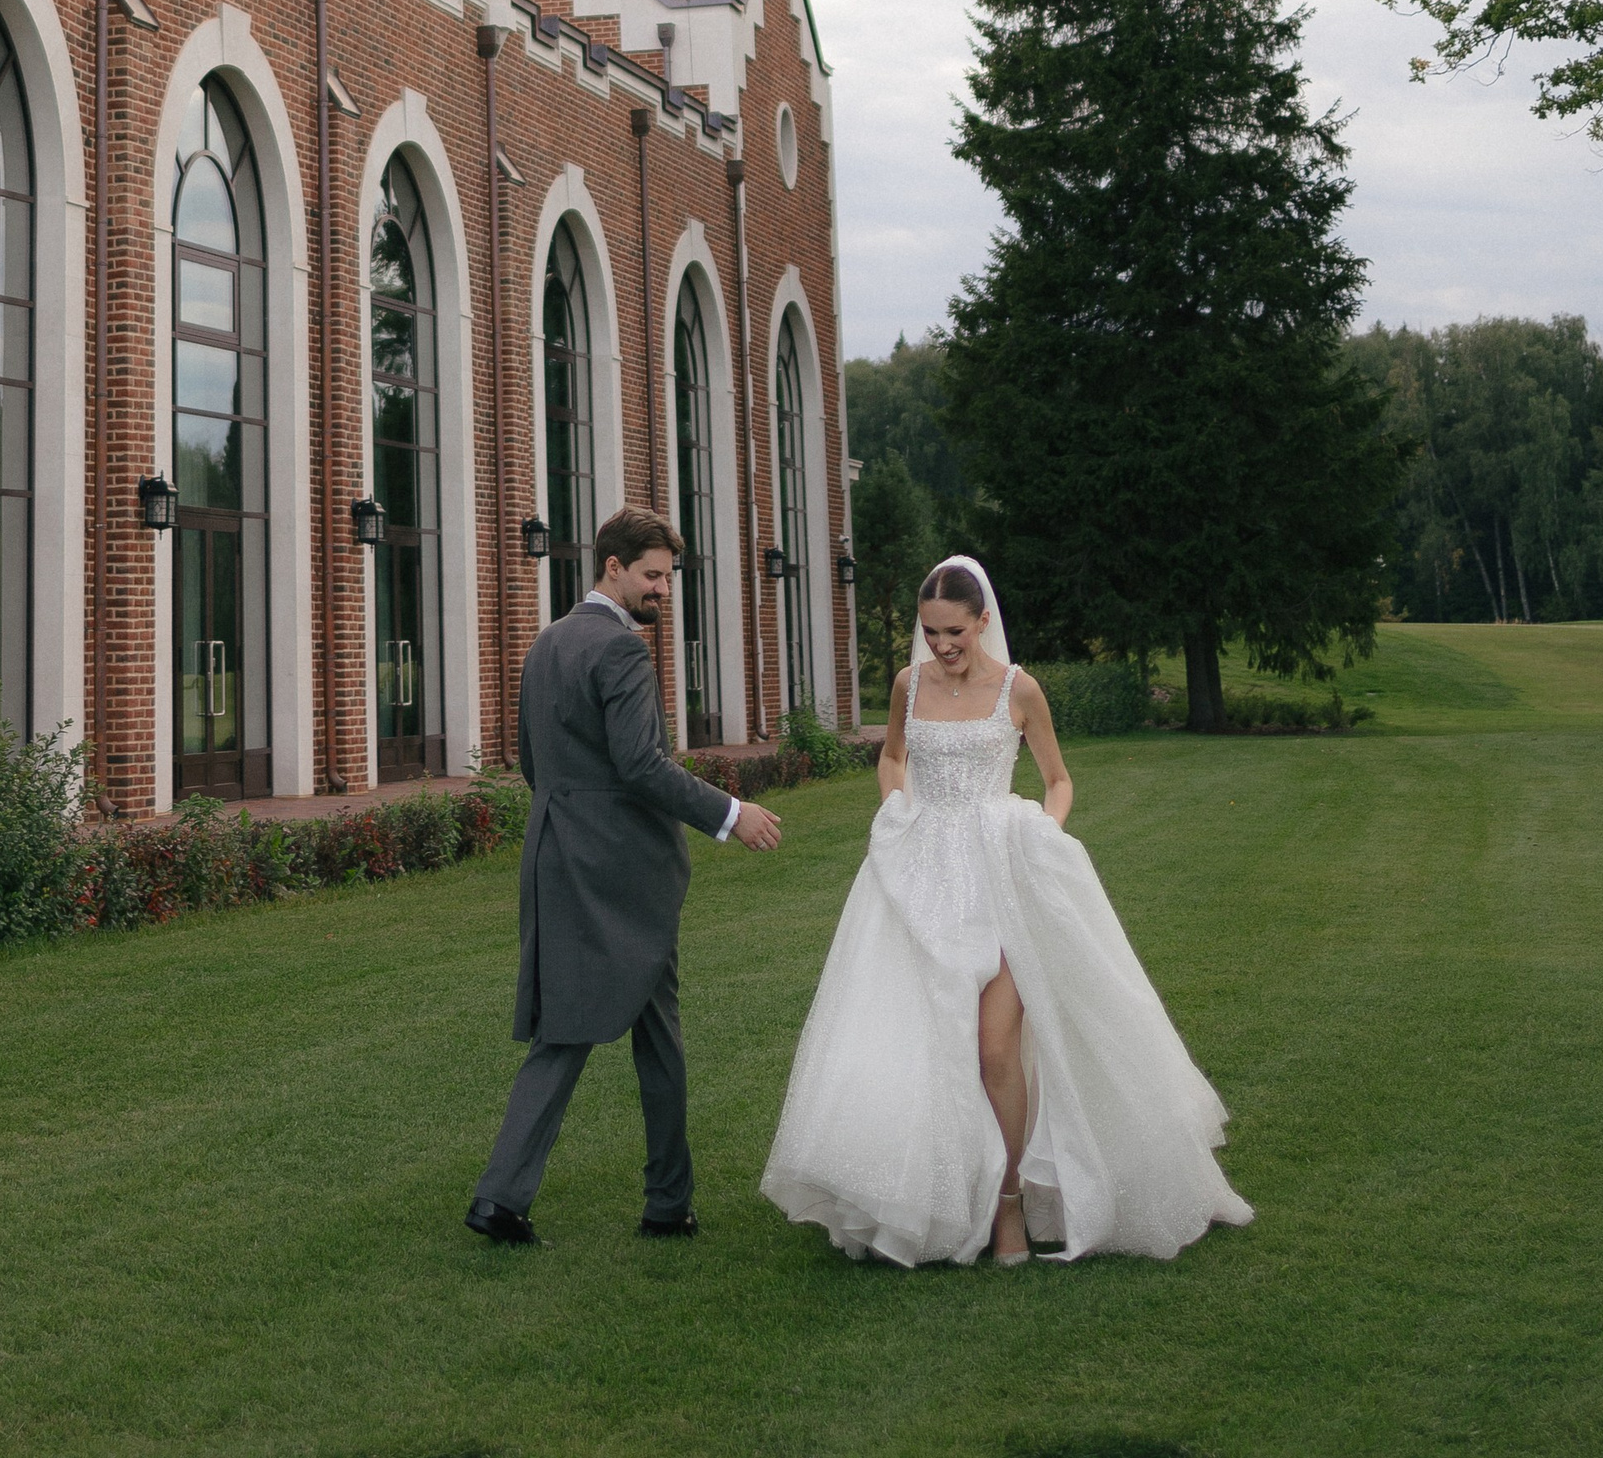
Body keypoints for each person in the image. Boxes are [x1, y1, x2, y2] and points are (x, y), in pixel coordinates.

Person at [762, 555, 1253, 1266]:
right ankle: (938, 1199)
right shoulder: (907, 685)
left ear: (982, 620)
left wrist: (1043, 836)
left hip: (1004, 875)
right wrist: (897, 808)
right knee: (925, 1039)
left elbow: (1058, 779)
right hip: (920, 874)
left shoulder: (1019, 689)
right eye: (931, 632)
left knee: (996, 1049)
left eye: (954, 631)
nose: (942, 645)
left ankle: (1011, 1203)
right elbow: (892, 758)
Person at [468, 505, 784, 1246]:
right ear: (612, 567)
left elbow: (534, 764)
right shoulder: (620, 650)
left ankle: (648, 1203)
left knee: (617, 1029)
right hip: (623, 874)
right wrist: (731, 813)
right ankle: (589, 1201)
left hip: (556, 857)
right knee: (614, 1033)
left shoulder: (547, 642)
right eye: (652, 576)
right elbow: (642, 765)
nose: (663, 591)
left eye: (668, 578)